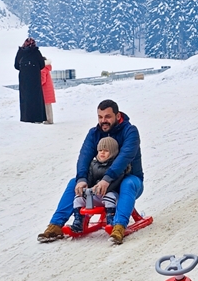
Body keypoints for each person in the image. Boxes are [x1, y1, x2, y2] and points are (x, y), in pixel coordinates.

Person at [38, 100, 144, 245]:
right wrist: (82, 178)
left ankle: (119, 227)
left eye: (107, 117)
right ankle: (55, 225)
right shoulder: (94, 134)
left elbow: (125, 157)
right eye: (100, 117)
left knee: (128, 182)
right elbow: (84, 157)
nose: (103, 121)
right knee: (74, 182)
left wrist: (107, 179)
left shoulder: (130, 132)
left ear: (118, 116)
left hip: (129, 182)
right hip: (100, 185)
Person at [72, 136, 123, 228]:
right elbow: (90, 179)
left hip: (111, 195)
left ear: (113, 153)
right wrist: (86, 187)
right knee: (78, 198)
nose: (102, 152)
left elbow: (116, 182)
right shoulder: (93, 164)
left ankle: (111, 219)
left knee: (110, 196)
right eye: (100, 150)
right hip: (95, 194)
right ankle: (79, 220)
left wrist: (103, 189)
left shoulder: (116, 167)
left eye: (106, 150)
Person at [15, 38, 47, 123]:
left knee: (25, 97)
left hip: (23, 78)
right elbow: (42, 64)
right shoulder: (36, 52)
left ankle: (26, 117)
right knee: (36, 97)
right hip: (35, 77)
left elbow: (16, 65)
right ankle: (37, 117)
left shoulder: (20, 52)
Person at [41, 58, 57, 125]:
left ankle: (49, 120)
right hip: (48, 89)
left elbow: (42, 80)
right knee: (48, 105)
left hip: (45, 90)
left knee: (46, 106)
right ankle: (50, 119)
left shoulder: (43, 69)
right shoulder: (47, 68)